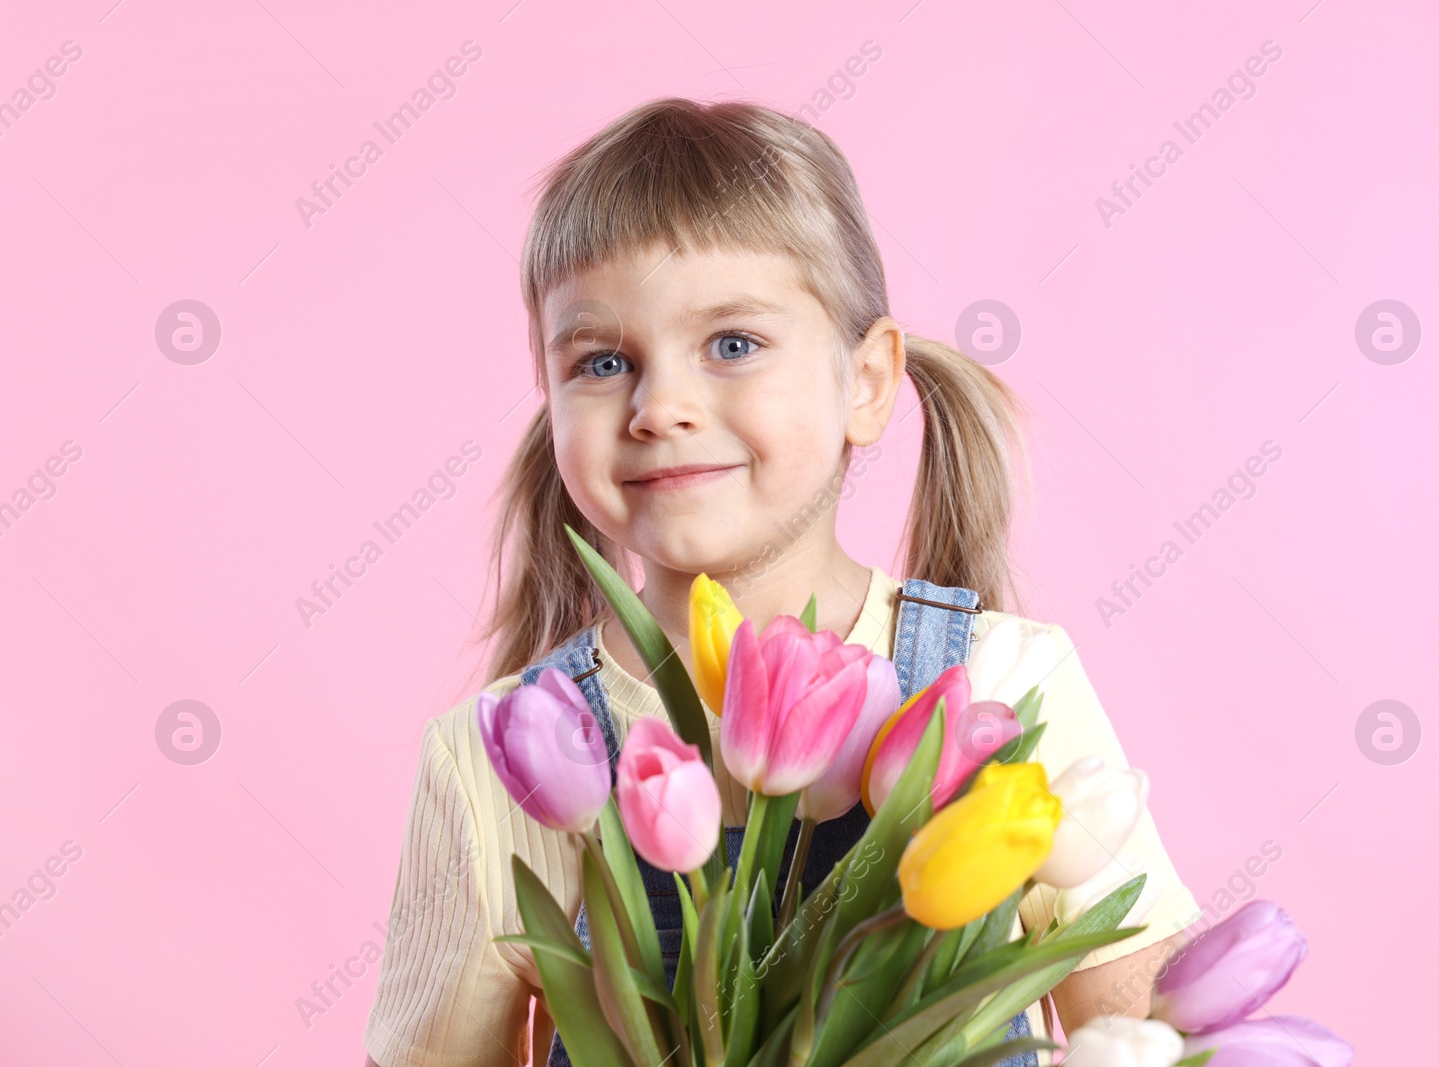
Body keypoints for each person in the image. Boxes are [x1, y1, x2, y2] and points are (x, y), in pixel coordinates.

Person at [363, 97, 1199, 1067]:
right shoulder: (501, 755)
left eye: (731, 343)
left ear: (867, 381)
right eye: (601, 361)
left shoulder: (1004, 682)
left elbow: (1149, 1029)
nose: (659, 406)